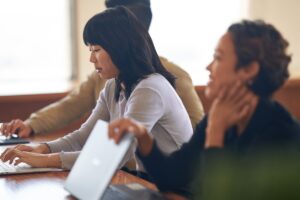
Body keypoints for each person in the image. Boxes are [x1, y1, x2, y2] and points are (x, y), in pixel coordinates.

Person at [106, 20, 300, 198]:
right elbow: (172, 177)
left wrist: (215, 133)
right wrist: (143, 137)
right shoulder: (217, 116)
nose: (209, 67)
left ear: (249, 70)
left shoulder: (282, 136)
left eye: (218, 58)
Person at [0, 6, 193, 171]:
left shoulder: (150, 88)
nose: (91, 59)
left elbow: (115, 155)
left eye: (96, 50)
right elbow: (84, 136)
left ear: (120, 47)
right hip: (153, 183)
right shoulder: (114, 86)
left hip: (182, 191)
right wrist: (43, 148)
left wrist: (45, 161)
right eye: (90, 50)